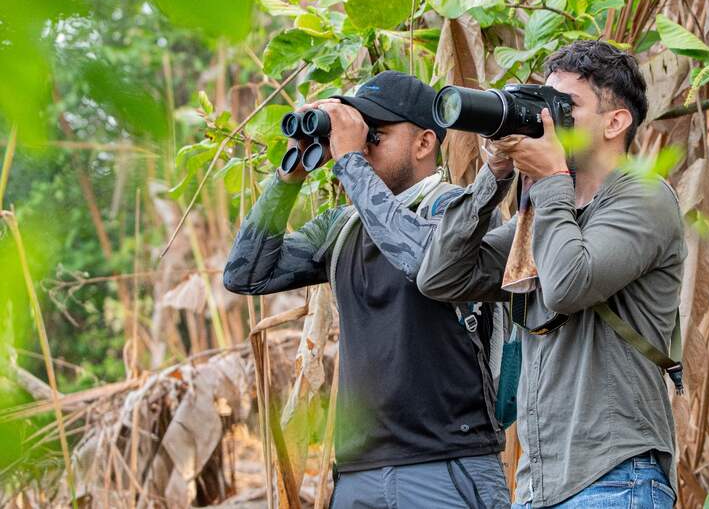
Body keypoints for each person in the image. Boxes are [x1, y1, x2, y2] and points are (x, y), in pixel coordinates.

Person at [223, 71, 510, 508]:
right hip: (358, 471)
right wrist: (290, 175)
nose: (360, 144)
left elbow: (424, 261)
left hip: (448, 464)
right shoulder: (342, 228)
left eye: (375, 133)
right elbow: (245, 274)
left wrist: (350, 163)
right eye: (357, 132)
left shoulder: (459, 210)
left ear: (423, 144)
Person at [418, 41, 685, 509]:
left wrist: (551, 180)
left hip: (615, 476)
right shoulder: (546, 214)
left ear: (615, 121)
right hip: (539, 484)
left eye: (566, 106)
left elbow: (566, 286)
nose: (547, 120)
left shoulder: (646, 199)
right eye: (544, 102)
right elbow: (440, 277)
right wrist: (494, 175)